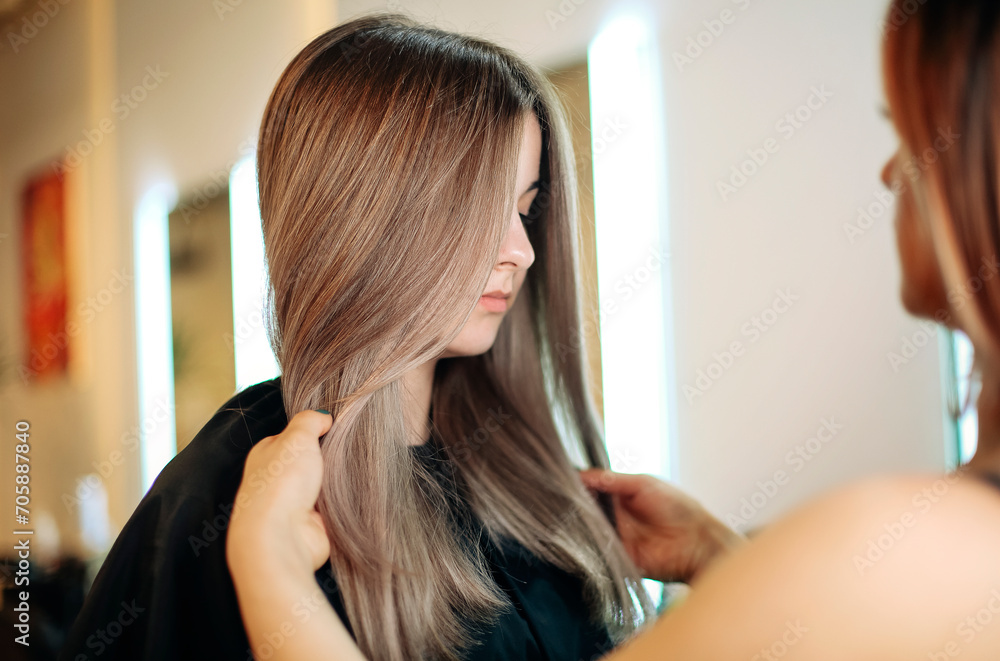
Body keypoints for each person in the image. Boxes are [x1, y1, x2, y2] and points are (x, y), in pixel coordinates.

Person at [229, 0, 1000, 659]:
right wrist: (722, 558)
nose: (893, 171)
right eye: (485, 209)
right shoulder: (223, 485)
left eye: (913, 137)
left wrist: (269, 571)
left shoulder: (933, 544)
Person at [58, 12, 742, 661]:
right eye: (480, 209)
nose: (522, 251)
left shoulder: (515, 468)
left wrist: (713, 556)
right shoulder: (230, 497)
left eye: (526, 209)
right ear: (361, 217)